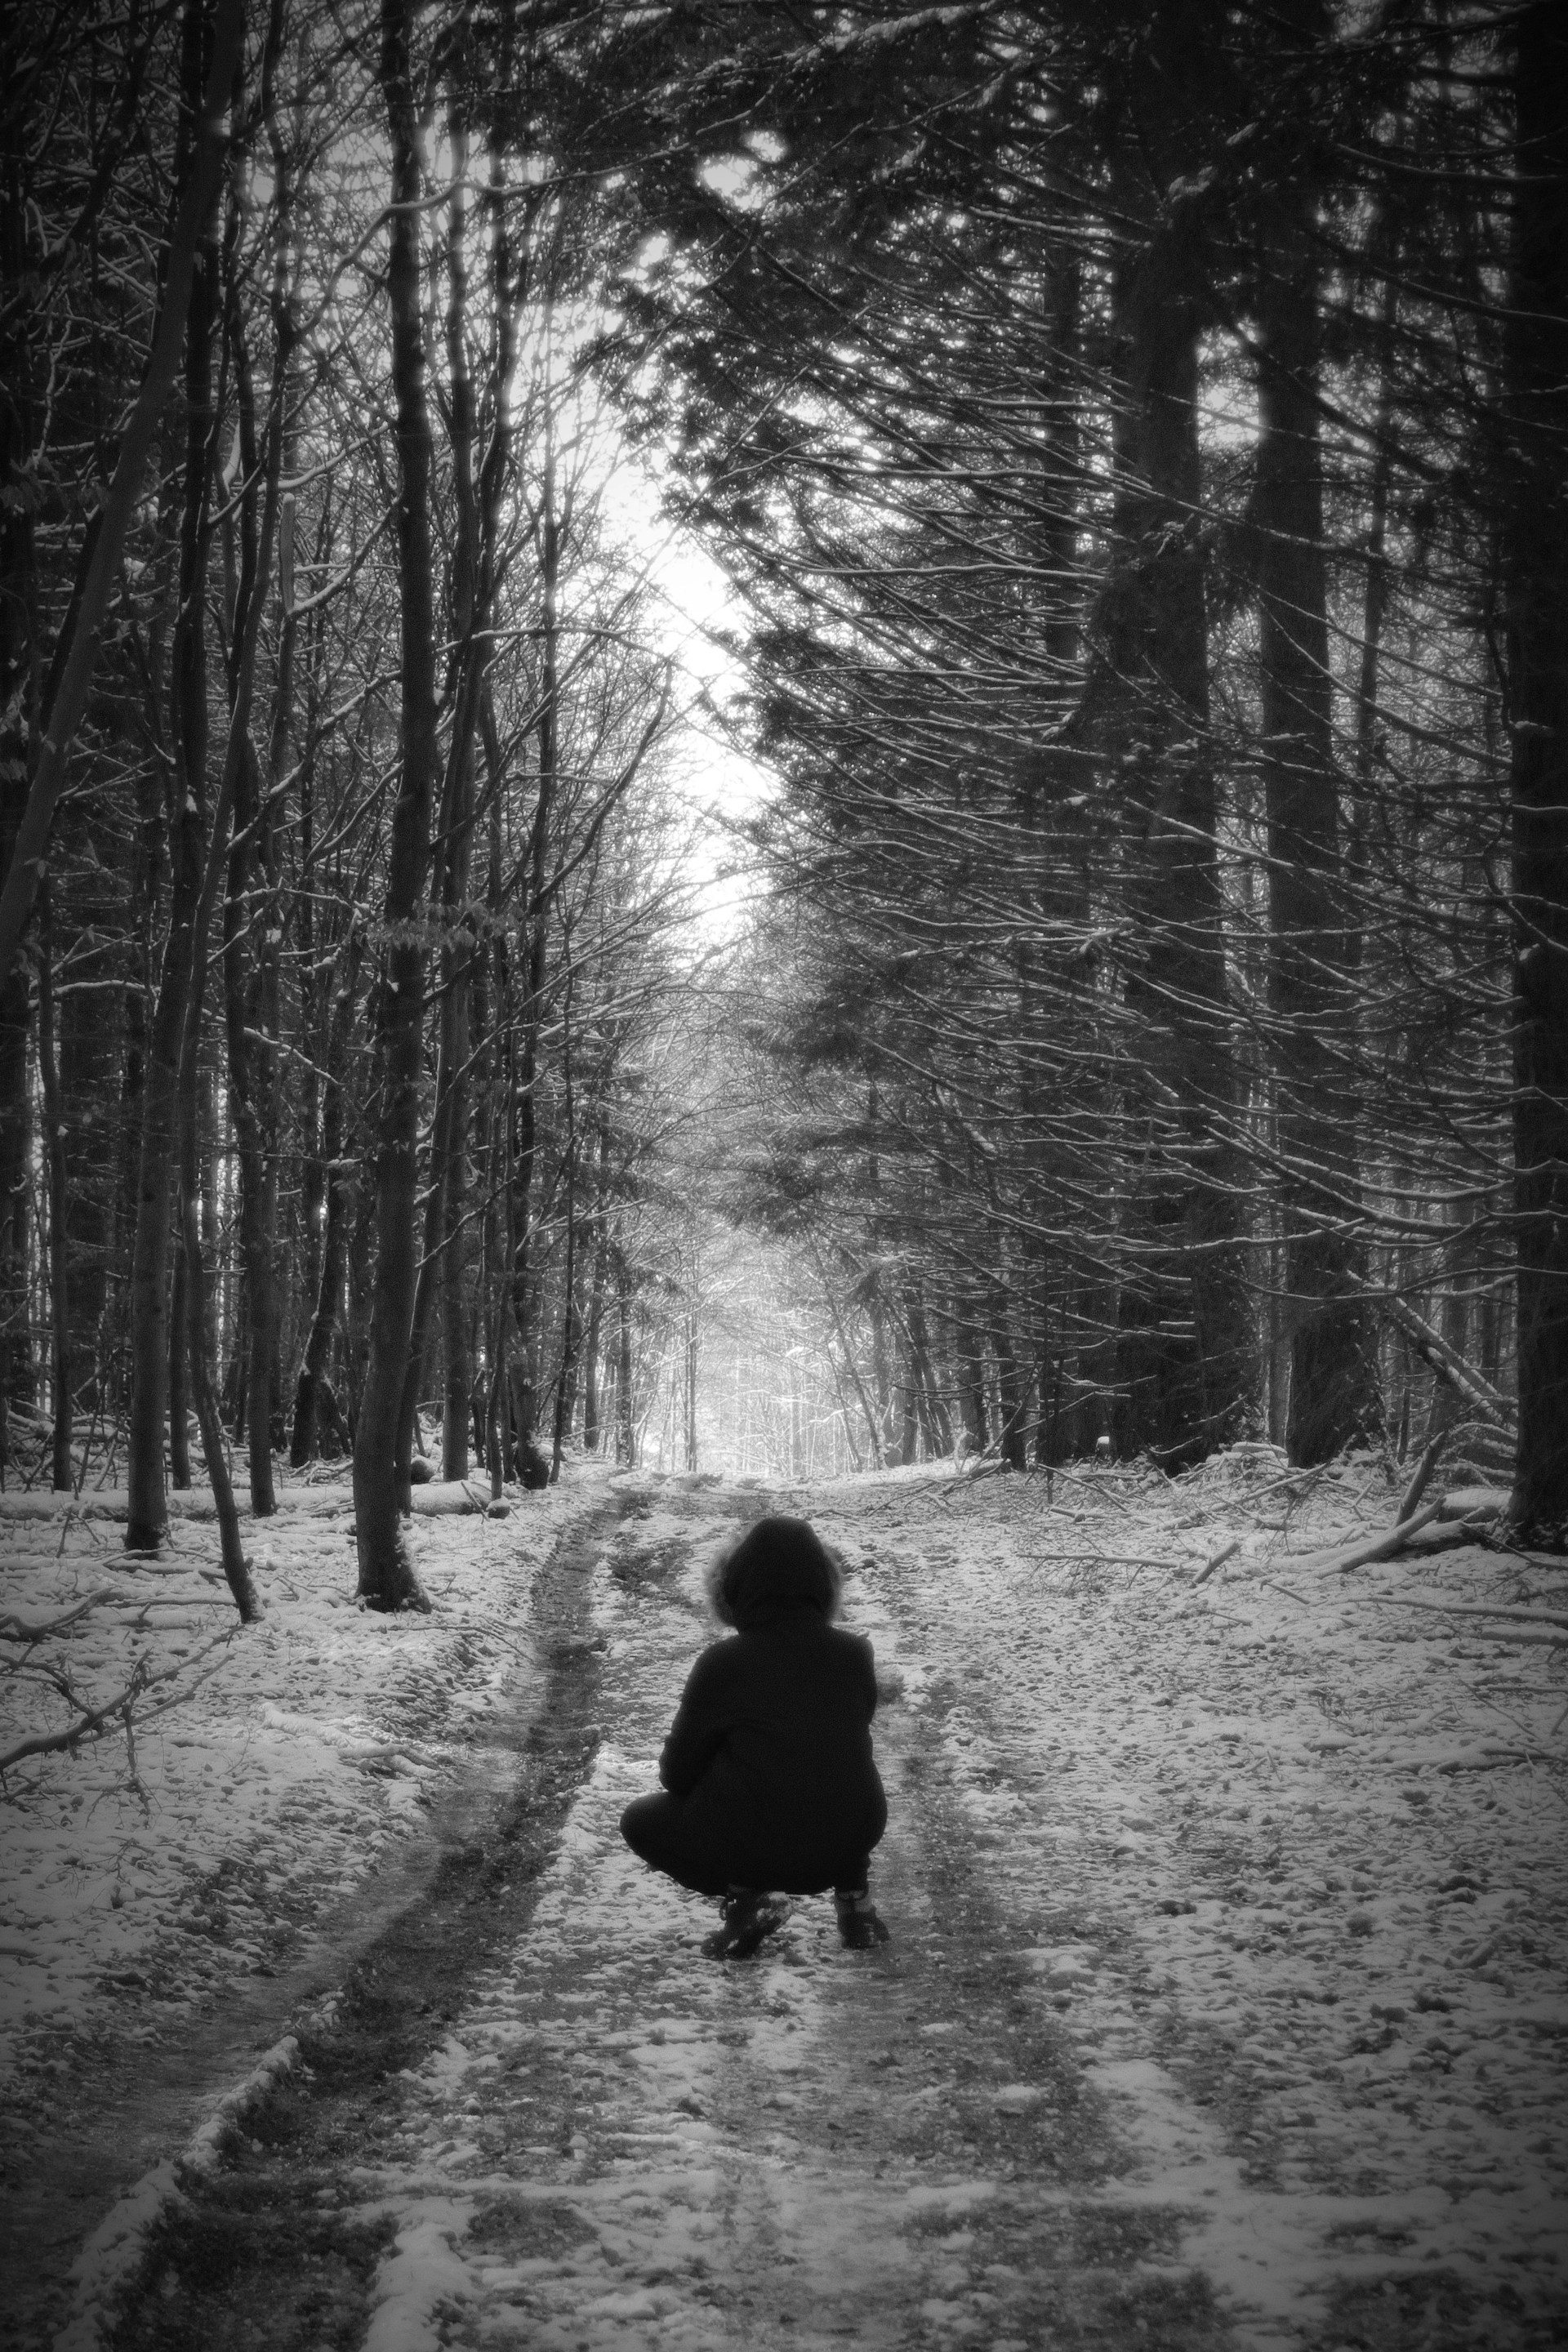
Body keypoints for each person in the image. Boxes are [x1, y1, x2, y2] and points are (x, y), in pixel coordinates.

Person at [620, 1514, 890, 1958]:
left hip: (761, 1844)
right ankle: (857, 1908)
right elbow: (839, 1749)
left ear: (734, 1586)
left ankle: (749, 1899)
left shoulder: (724, 1662)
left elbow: (676, 1776)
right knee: (835, 1782)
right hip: (851, 1837)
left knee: (640, 1820)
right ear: (824, 1585)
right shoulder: (855, 1653)